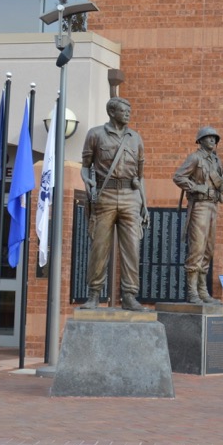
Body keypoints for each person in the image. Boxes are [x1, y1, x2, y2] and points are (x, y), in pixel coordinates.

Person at [80, 97, 147, 310]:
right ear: (111, 111)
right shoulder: (95, 134)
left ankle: (129, 295)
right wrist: (87, 181)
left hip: (131, 196)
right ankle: (93, 294)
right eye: (123, 110)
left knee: (132, 249)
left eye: (129, 110)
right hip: (105, 194)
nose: (128, 113)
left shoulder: (136, 138)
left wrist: (144, 204)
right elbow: (85, 166)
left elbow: (140, 176)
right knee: (100, 247)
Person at [172, 126, 223, 305]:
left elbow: (221, 187)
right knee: (197, 248)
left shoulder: (216, 161)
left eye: (215, 138)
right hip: (199, 206)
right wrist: (198, 188)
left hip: (213, 206)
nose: (213, 140)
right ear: (200, 140)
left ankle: (203, 291)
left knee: (208, 249)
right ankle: (192, 292)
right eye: (209, 137)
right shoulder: (195, 158)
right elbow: (178, 177)